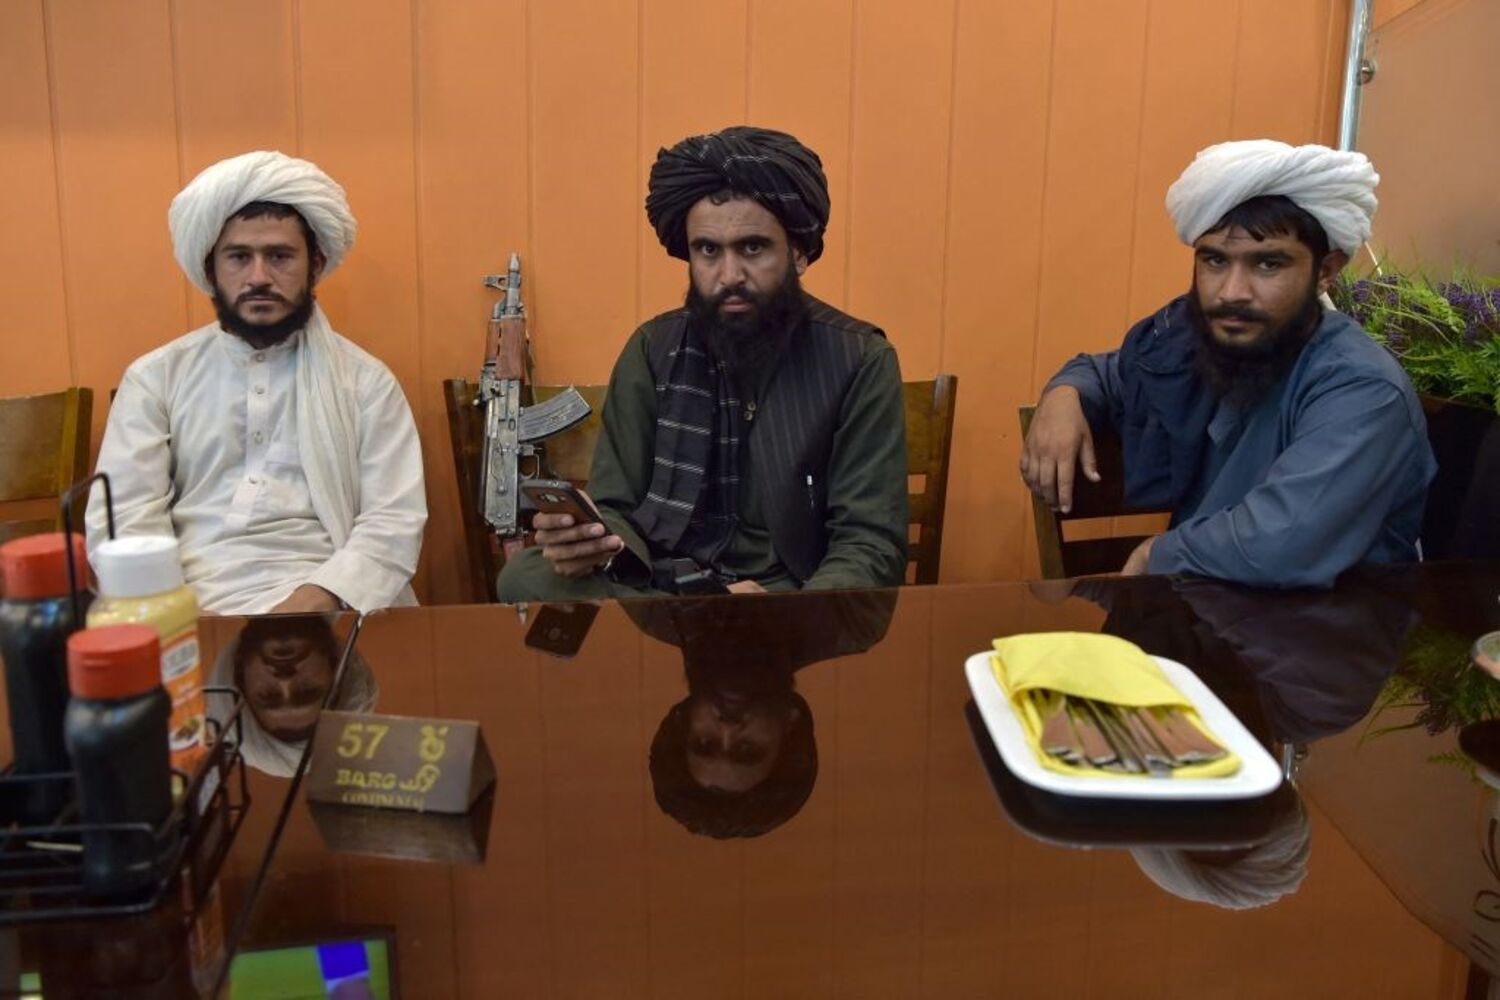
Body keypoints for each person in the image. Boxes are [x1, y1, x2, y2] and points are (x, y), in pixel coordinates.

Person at [497, 126, 908, 601]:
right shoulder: (653, 349)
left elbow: (869, 543)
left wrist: (789, 610)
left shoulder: (859, 360)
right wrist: (589, 541)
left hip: (790, 595)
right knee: (526, 577)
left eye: (752, 247)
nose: (729, 275)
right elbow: (617, 509)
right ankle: (703, 624)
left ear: (797, 253)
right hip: (666, 586)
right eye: (709, 250)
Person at [1021, 140, 1435, 588]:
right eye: (1215, 260)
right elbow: (1108, 374)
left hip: (1329, 626)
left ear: (1325, 271)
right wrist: (1064, 394)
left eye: (1268, 264)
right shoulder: (1204, 341)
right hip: (1203, 614)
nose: (1232, 292)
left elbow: (1281, 542)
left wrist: (1155, 552)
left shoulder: (1362, 387)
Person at [86, 151, 427, 614]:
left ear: (315, 264)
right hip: (190, 607)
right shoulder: (155, 379)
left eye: (280, 256)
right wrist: (176, 611)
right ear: (211, 269)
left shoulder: (366, 383)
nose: (259, 277)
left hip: (334, 604)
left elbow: (393, 521)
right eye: (239, 257)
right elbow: (124, 519)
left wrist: (315, 599)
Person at [631, 588, 896, 838]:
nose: (728, 728)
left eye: (705, 743)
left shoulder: (653, 611)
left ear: (684, 720)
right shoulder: (853, 621)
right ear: (790, 723)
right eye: (748, 749)